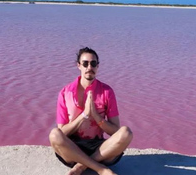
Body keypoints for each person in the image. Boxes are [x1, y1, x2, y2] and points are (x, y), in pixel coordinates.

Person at [49, 47, 133, 175]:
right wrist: (84, 115)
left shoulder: (106, 91)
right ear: (78, 65)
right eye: (85, 63)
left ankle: (81, 166)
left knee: (126, 133)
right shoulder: (65, 92)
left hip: (100, 148)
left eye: (93, 63)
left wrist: (96, 116)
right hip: (73, 148)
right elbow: (62, 133)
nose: (89, 67)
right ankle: (100, 169)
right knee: (54, 134)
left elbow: (116, 131)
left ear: (97, 66)